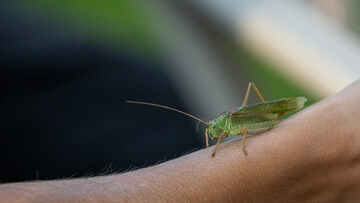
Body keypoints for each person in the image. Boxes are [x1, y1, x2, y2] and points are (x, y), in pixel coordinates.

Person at [1, 80, 360, 203]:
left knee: (238, 110)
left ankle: (293, 116)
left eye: (214, 129)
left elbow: (237, 133)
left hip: (258, 117)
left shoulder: (232, 127)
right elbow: (210, 135)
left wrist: (240, 146)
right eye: (212, 130)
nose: (211, 131)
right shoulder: (215, 129)